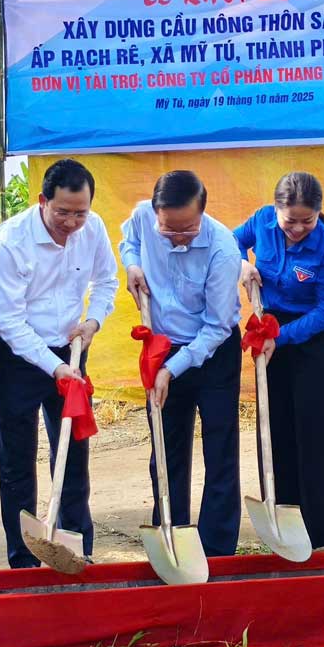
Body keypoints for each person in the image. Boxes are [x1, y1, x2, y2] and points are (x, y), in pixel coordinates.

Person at [0, 159, 118, 568]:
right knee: (17, 461)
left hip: (71, 352)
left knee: (73, 453)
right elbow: (9, 320)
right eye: (63, 212)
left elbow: (107, 281)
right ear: (43, 201)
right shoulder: (11, 241)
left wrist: (93, 321)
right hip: (19, 357)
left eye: (81, 212)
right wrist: (53, 367)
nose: (72, 222)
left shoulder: (92, 229)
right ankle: (23, 559)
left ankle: (76, 550)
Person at [120, 170, 242, 556]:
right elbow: (129, 240)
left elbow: (216, 326)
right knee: (166, 443)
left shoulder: (223, 249)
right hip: (163, 345)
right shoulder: (143, 215)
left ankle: (217, 548)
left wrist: (172, 369)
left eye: (187, 229)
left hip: (213, 351)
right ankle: (171, 535)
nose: (177, 238)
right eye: (168, 229)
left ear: (202, 212)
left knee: (219, 446)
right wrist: (132, 265)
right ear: (156, 213)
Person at [233, 172, 324, 549]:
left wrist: (280, 338)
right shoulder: (261, 221)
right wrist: (242, 263)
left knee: (317, 442)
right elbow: (232, 240)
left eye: (307, 221)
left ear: (318, 213)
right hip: (270, 330)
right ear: (276, 210)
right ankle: (286, 537)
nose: (297, 229)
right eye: (290, 221)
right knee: (276, 433)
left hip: (312, 343)